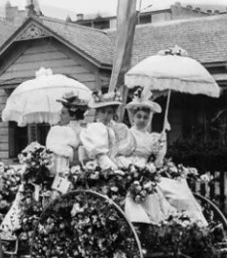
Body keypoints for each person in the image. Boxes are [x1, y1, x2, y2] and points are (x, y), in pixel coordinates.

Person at [125, 89, 207, 224]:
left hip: (150, 171)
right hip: (133, 172)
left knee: (178, 189)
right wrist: (133, 167)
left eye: (146, 117)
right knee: (153, 191)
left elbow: (157, 163)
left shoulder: (152, 138)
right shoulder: (128, 135)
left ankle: (192, 222)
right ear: (133, 117)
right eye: (139, 116)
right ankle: (162, 221)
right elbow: (120, 155)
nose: (142, 120)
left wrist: (159, 152)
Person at [79, 91, 135, 170]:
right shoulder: (94, 128)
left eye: (109, 112)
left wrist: (126, 164)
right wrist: (110, 167)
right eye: (103, 112)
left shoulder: (116, 128)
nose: (106, 115)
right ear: (97, 113)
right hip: (98, 164)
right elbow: (99, 155)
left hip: (115, 160)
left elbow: (118, 152)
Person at [45, 91, 88, 175]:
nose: (60, 115)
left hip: (74, 171)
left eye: (63, 113)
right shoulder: (59, 131)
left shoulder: (62, 131)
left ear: (73, 115)